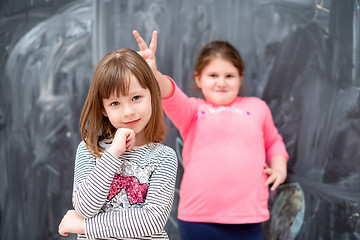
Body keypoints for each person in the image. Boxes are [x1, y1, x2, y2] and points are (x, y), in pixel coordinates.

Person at [133, 30, 288, 240]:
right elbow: (170, 94)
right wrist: (154, 74)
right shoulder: (193, 110)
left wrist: (279, 168)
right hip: (198, 217)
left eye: (229, 76)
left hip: (247, 218)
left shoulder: (257, 107)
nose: (221, 82)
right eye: (213, 75)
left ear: (240, 77)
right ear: (198, 78)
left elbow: (274, 142)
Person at [58, 48, 178, 240]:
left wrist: (85, 226)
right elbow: (85, 207)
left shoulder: (164, 158)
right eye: (115, 103)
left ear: (152, 96)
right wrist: (113, 153)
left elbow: (152, 221)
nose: (128, 111)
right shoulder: (89, 150)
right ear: (103, 109)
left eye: (136, 98)